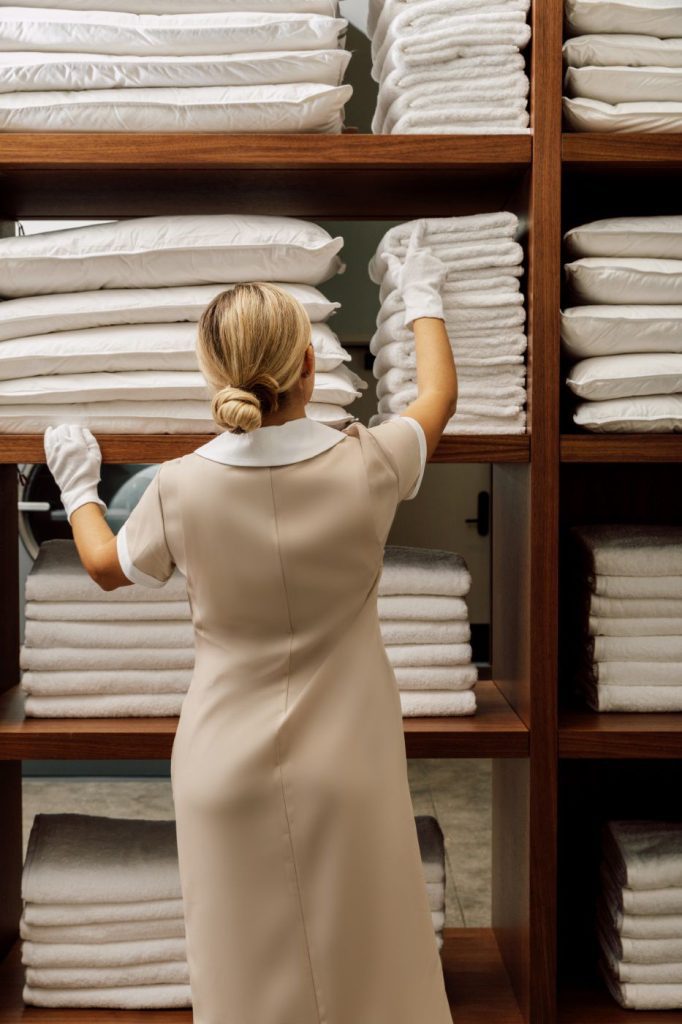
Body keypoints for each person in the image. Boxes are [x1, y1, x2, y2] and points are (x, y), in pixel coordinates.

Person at [44, 226, 458, 1024]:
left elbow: (102, 566)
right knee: (376, 976)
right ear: (308, 366)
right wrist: (421, 295)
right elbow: (436, 397)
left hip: (221, 771)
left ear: (214, 374)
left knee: (243, 983)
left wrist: (78, 485)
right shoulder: (367, 463)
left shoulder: (178, 487)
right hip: (352, 765)